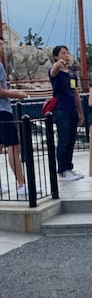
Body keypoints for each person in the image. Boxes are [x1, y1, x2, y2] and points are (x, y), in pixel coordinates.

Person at [0, 40, 39, 197]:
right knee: (14, 147)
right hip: (3, 111)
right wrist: (18, 95)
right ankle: (22, 184)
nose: (2, 47)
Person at [48, 45, 84, 181]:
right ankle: (62, 170)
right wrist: (58, 65)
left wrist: (80, 112)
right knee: (63, 141)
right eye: (63, 53)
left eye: (67, 53)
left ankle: (69, 167)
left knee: (71, 140)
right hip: (61, 109)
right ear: (56, 56)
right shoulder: (55, 72)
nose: (66, 55)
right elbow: (53, 72)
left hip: (72, 108)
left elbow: (75, 93)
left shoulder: (71, 75)